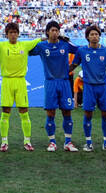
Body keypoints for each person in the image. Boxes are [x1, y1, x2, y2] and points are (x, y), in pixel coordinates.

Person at [0, 21, 41, 152]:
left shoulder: (25, 45)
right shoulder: (1, 45)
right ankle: (4, 141)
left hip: (20, 82)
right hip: (6, 82)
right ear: (6, 34)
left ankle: (27, 141)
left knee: (24, 111)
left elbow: (40, 40)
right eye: (10, 33)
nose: (13, 35)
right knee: (5, 112)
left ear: (18, 34)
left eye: (15, 32)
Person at [28, 20, 77, 151]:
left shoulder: (65, 44)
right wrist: (41, 39)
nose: (55, 33)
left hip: (65, 82)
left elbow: (79, 50)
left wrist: (73, 66)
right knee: (51, 113)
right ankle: (52, 142)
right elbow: (27, 50)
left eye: (57, 30)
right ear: (47, 32)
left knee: (67, 112)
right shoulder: (42, 46)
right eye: (52, 30)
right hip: (50, 82)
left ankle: (68, 142)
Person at [74, 25, 106, 152]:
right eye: (92, 34)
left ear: (99, 36)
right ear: (87, 37)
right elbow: (73, 65)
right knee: (88, 114)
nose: (94, 36)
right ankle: (88, 143)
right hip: (89, 87)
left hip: (102, 87)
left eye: (96, 34)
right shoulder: (82, 51)